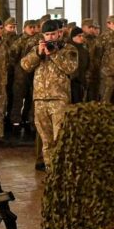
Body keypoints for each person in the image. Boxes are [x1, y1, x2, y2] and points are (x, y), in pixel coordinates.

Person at [20, 20, 78, 171]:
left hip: (59, 100)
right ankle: (51, 172)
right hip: (40, 100)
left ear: (60, 33)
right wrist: (39, 54)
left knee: (60, 139)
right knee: (46, 141)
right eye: (47, 34)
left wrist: (54, 54)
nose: (50, 37)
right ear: (43, 35)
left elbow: (71, 68)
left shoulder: (68, 49)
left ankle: (62, 172)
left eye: (53, 34)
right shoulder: (37, 49)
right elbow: (25, 65)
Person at [69, 26, 89, 104]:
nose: (81, 38)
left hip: (81, 80)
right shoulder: (68, 49)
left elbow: (87, 65)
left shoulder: (84, 50)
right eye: (79, 36)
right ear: (73, 37)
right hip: (71, 81)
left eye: (82, 36)